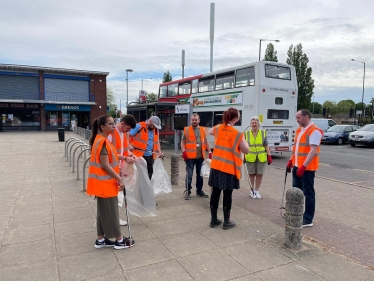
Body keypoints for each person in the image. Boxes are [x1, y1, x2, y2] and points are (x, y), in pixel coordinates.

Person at [87, 115, 135, 250]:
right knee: (111, 212)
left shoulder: (101, 140)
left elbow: (111, 158)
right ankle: (119, 240)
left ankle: (100, 239)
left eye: (114, 123)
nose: (114, 126)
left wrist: (125, 158)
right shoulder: (103, 142)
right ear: (102, 127)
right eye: (110, 124)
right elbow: (105, 165)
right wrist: (120, 179)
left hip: (103, 183)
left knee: (102, 212)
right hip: (105, 183)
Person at [208, 108, 250, 229]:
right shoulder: (237, 134)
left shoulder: (217, 128)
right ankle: (227, 221)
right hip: (228, 169)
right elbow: (246, 149)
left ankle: (213, 219)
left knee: (215, 193)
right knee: (227, 194)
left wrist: (221, 126)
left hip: (216, 166)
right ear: (235, 119)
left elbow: (210, 131)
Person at [286, 109, 323, 228]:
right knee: (297, 192)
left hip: (307, 168)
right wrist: (292, 160)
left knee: (308, 193)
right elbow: (297, 149)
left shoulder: (314, 131)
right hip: (298, 166)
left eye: (298, 118)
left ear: (306, 117)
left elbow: (313, 151)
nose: (297, 120)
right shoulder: (300, 130)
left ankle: (308, 218)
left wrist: (303, 166)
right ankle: (296, 214)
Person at [108, 114, 137, 226]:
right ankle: (112, 218)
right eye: (128, 128)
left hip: (119, 167)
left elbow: (124, 150)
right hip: (111, 168)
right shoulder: (111, 133)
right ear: (123, 123)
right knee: (114, 194)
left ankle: (115, 217)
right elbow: (110, 153)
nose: (128, 131)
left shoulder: (124, 134)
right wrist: (125, 158)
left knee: (118, 193)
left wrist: (130, 155)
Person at [181, 113, 212, 200]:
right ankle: (188, 191)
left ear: (199, 120)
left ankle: (199, 190)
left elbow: (206, 142)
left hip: (200, 157)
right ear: (191, 120)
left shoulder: (203, 129)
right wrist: (184, 152)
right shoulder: (187, 130)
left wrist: (209, 151)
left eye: (196, 120)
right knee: (189, 174)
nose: (194, 121)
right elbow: (182, 142)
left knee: (200, 175)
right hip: (190, 157)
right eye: (193, 120)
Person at [244, 116, 272, 199]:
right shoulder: (246, 133)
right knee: (251, 175)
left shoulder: (263, 133)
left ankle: (257, 191)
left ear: (258, 124)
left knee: (259, 175)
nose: (254, 124)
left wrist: (269, 155)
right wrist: (243, 156)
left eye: (255, 123)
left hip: (261, 157)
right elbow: (243, 146)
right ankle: (252, 191)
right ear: (250, 124)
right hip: (250, 156)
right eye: (252, 123)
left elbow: (266, 145)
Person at [130, 116, 164, 180]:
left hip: (150, 156)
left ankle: (146, 188)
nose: (155, 127)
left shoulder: (156, 130)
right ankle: (139, 189)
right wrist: (128, 146)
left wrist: (159, 152)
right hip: (138, 156)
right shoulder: (139, 126)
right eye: (154, 125)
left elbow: (157, 142)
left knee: (149, 174)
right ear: (150, 121)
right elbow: (128, 135)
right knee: (138, 175)